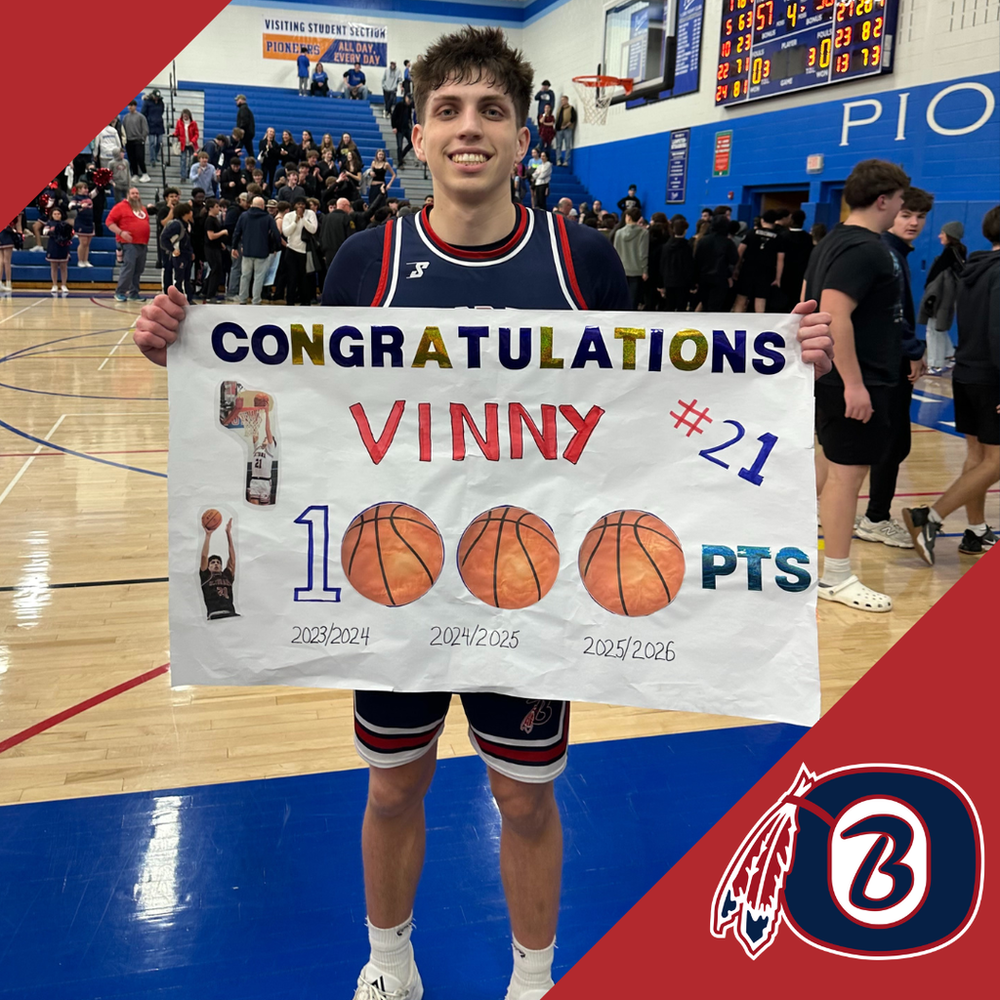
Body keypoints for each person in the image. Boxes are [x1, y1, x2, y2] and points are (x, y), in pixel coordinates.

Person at [133, 27, 833, 1000]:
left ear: (522, 136)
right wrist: (185, 355)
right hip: (398, 579)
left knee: (524, 793)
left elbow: (634, 417)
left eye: (491, 110)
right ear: (416, 136)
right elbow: (294, 413)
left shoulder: (580, 259)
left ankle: (534, 978)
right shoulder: (363, 264)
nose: (470, 129)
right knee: (392, 783)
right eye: (449, 111)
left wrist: (775, 365)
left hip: (531, 583)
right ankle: (388, 966)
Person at [807, 158, 910, 613]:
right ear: (883, 199)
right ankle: (836, 576)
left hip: (841, 376)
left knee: (832, 469)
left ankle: (815, 547)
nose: (902, 212)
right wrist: (853, 384)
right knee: (848, 478)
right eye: (902, 203)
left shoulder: (832, 240)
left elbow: (808, 301)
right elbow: (832, 311)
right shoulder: (865, 248)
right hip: (856, 379)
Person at [904, 206, 999, 561]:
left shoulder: (974, 268)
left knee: (977, 455)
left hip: (967, 372)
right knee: (996, 461)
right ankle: (929, 517)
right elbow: (998, 331)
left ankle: (974, 530)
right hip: (991, 377)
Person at [854, 187, 934, 549]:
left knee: (875, 444)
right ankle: (876, 517)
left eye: (920, 217)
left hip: (881, 361)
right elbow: (893, 318)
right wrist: (914, 349)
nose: (914, 222)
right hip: (885, 364)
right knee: (890, 442)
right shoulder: (887, 254)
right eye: (907, 214)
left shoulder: (893, 253)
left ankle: (866, 513)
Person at [920, 220, 967, 374]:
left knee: (933, 328)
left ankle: (936, 363)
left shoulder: (950, 253)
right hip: (944, 295)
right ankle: (949, 354)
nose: (940, 236)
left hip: (941, 296)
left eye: (943, 233)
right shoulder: (957, 252)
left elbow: (937, 277)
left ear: (950, 235)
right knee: (938, 326)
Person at [231, 195, 283, 305]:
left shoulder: (244, 216)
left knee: (245, 276)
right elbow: (276, 234)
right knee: (258, 277)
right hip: (262, 252)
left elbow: (236, 232)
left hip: (247, 251)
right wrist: (276, 247)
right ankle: (256, 300)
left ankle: (243, 299)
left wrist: (234, 247)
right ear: (262, 206)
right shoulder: (268, 218)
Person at [733, 209, 785, 313]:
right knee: (760, 299)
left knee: (741, 298)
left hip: (747, 269)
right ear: (775, 222)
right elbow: (780, 259)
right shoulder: (779, 238)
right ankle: (759, 325)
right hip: (766, 272)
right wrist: (778, 278)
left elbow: (740, 252)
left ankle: (735, 323)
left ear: (762, 220)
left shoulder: (751, 233)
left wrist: (736, 269)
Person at [107, 185, 150, 302]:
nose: (136, 195)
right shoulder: (120, 207)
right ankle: (120, 292)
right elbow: (109, 222)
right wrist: (121, 232)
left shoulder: (142, 208)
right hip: (128, 243)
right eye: (133, 193)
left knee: (138, 270)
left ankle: (134, 293)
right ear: (128, 196)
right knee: (129, 268)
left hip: (142, 243)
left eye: (137, 193)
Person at [693, 215, 738, 311]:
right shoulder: (727, 242)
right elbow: (734, 259)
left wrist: (695, 279)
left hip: (703, 277)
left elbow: (696, 260)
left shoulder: (703, 240)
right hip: (720, 278)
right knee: (715, 307)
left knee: (705, 305)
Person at [281, 197, 318, 305]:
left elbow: (313, 229)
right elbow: (286, 232)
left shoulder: (310, 214)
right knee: (291, 277)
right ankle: (290, 301)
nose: (300, 206)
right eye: (298, 204)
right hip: (291, 249)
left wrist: (303, 219)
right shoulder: (289, 216)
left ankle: (305, 302)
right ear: (294, 205)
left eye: (302, 204)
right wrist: (295, 221)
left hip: (305, 250)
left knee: (305, 278)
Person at [200, 517, 237, 620]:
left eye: (218, 562)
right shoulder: (206, 576)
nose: (216, 564)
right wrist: (208, 535)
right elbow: (204, 557)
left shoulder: (227, 575)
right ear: (208, 566)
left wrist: (228, 534)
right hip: (215, 614)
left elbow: (232, 559)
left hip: (230, 613)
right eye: (212, 562)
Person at [613, 206, 649, 309]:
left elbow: (615, 252)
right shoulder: (644, 233)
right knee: (633, 301)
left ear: (628, 217)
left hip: (622, 270)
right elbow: (643, 253)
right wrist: (645, 270)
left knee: (622, 300)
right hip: (637, 270)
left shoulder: (618, 233)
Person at [161, 201, 195, 303]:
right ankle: (178, 300)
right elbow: (163, 238)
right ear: (186, 213)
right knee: (179, 279)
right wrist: (172, 250)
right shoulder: (176, 225)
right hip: (178, 256)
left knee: (187, 279)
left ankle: (188, 299)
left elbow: (187, 241)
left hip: (186, 255)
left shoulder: (188, 224)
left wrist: (191, 252)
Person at [659, 216, 695, 311]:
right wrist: (692, 284)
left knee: (669, 306)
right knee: (681, 307)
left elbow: (662, 265)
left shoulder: (666, 246)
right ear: (685, 230)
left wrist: (661, 283)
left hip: (668, 280)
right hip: (683, 282)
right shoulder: (687, 247)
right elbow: (689, 267)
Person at [780, 209, 813, 306]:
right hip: (801, 272)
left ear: (792, 220)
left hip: (785, 272)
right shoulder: (808, 238)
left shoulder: (783, 236)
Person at [202, 198, 230, 303]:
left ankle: (207, 291)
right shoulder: (209, 220)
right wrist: (222, 232)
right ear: (211, 208)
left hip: (216, 247)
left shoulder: (214, 219)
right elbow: (211, 236)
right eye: (217, 206)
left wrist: (221, 243)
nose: (219, 209)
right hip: (210, 248)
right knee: (215, 269)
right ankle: (210, 295)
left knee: (217, 270)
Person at [43, 207, 74, 294]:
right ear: (52, 215)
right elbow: (45, 232)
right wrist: (54, 232)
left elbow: (71, 233)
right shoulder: (49, 223)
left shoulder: (65, 224)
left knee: (64, 266)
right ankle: (54, 285)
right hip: (53, 246)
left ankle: (64, 285)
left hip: (64, 246)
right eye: (55, 214)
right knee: (54, 266)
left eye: (58, 214)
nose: (57, 216)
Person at [68, 181, 95, 267]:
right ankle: (80, 260)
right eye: (84, 188)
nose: (86, 190)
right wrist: (80, 206)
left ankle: (86, 260)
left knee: (87, 243)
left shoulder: (89, 196)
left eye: (87, 188)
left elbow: (98, 190)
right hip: (81, 222)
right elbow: (70, 206)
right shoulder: (76, 198)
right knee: (83, 243)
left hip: (89, 222)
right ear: (79, 189)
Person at [122, 101, 150, 182]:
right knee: (132, 158)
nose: (129, 107)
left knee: (140, 157)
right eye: (128, 105)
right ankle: (135, 174)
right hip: (129, 141)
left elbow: (145, 129)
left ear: (135, 106)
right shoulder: (126, 117)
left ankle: (145, 173)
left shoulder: (141, 117)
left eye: (131, 105)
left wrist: (142, 138)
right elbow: (123, 129)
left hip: (138, 141)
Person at [0, 213, 24, 293]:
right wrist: (19, 235)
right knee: (6, 261)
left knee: (1, 260)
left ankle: (1, 283)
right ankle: (8, 282)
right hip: (7, 234)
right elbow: (18, 225)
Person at [142, 90, 166, 168]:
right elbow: (143, 113)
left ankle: (155, 155)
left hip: (159, 124)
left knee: (159, 141)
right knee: (152, 142)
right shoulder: (147, 102)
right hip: (151, 124)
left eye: (157, 97)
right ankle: (152, 159)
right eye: (155, 97)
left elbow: (162, 111)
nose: (156, 99)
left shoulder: (161, 103)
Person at [174, 109, 199, 182]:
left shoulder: (193, 123)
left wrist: (193, 141)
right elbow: (177, 131)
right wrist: (174, 134)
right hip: (183, 144)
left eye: (186, 116)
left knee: (191, 160)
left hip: (191, 144)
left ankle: (190, 173)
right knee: (183, 160)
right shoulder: (179, 122)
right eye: (184, 115)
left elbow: (196, 134)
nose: (185, 117)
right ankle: (183, 176)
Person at [392, 94, 415, 167]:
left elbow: (409, 116)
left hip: (407, 128)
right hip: (399, 128)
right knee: (399, 145)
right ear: (405, 98)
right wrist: (394, 126)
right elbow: (394, 116)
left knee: (412, 143)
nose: (409, 101)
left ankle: (401, 156)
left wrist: (410, 124)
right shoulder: (399, 105)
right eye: (409, 99)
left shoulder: (409, 107)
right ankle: (400, 162)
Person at [553, 95, 576, 167]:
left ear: (567, 100)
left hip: (567, 129)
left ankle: (566, 161)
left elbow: (573, 118)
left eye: (563, 100)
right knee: (558, 146)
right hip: (559, 130)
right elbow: (557, 119)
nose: (562, 102)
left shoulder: (571, 108)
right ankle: (558, 160)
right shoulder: (559, 109)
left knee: (567, 145)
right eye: (561, 100)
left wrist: (566, 125)